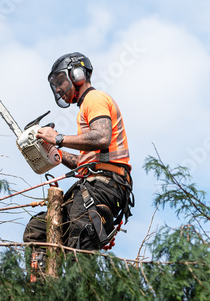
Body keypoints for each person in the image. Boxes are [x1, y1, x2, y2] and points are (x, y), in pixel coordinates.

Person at [23, 52, 134, 254]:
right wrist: (57, 153)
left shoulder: (95, 98)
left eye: (60, 81)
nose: (57, 88)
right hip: (94, 182)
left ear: (77, 74)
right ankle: (41, 285)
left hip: (106, 184)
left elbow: (101, 137)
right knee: (38, 229)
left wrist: (58, 138)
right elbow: (87, 161)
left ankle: (80, 283)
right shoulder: (85, 107)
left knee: (79, 234)